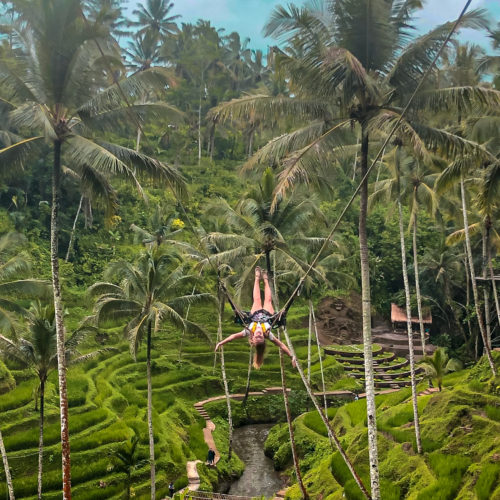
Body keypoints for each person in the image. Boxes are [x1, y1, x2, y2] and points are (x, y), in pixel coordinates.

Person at [215, 267, 297, 369]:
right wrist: (291, 356)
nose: (259, 334)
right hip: (268, 317)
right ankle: (266, 279)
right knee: (268, 300)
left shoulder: (248, 332)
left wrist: (221, 343)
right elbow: (281, 345)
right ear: (263, 338)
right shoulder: (268, 334)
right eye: (261, 337)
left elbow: (232, 337)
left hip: (254, 316)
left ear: (253, 339)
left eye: (256, 337)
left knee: (257, 300)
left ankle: (257, 277)